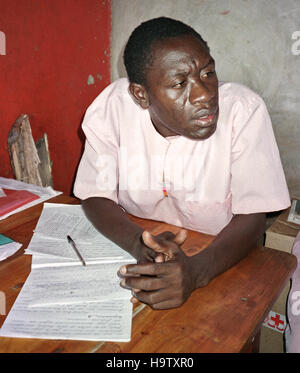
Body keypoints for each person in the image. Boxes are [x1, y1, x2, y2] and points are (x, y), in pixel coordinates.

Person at [73, 17, 290, 310]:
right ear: (141, 94)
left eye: (208, 72)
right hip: (139, 245)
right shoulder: (112, 108)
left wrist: (196, 272)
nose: (205, 94)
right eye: (179, 83)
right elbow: (95, 194)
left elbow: (253, 217)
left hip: (223, 259)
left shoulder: (243, 110)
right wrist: (141, 244)